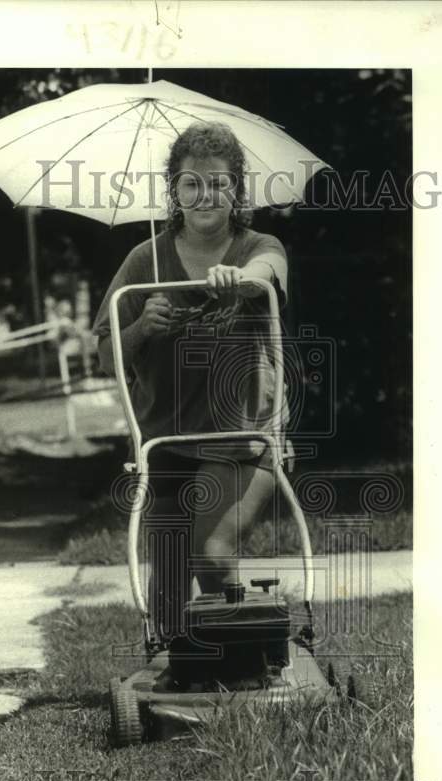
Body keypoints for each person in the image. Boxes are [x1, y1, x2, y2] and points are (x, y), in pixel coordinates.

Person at [93, 121, 290, 645]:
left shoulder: (257, 246)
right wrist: (139, 328)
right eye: (190, 184)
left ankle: (246, 654)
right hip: (168, 442)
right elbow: (103, 352)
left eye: (218, 183)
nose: (205, 195)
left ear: (236, 191)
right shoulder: (145, 261)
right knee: (167, 590)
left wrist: (241, 280)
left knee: (211, 550)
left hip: (240, 440)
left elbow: (268, 274)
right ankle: (186, 665)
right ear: (174, 192)